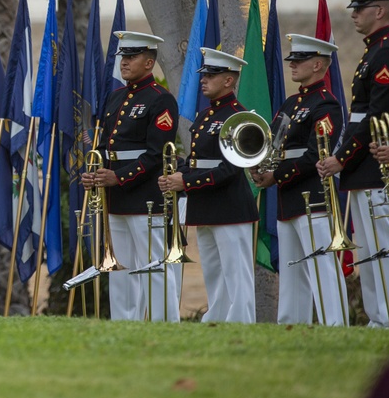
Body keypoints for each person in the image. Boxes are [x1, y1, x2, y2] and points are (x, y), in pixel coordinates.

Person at [317, 0, 389, 329]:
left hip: (377, 162)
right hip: (366, 163)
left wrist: (343, 158)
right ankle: (379, 317)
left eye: (360, 7)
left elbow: (376, 117)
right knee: (369, 249)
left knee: (382, 247)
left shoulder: (386, 53)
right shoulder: (374, 52)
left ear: (379, 11)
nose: (352, 13)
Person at [250, 34, 348, 326]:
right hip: (287, 199)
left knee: (322, 268)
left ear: (318, 65)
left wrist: (275, 176)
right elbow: (272, 142)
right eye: (291, 59)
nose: (292, 65)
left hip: (312, 198)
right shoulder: (291, 103)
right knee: (292, 272)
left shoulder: (326, 105)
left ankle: (336, 325)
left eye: (299, 60)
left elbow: (314, 155)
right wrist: (258, 165)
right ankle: (291, 326)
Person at [83, 31, 179, 321]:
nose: (124, 62)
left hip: (146, 196)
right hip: (116, 197)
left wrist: (119, 177)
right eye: (123, 57)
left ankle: (165, 324)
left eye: (132, 57)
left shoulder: (161, 100)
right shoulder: (116, 97)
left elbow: (156, 154)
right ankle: (124, 324)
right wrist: (93, 172)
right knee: (120, 267)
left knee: (154, 264)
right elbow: (105, 145)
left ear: (149, 62)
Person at [161, 48, 258, 323]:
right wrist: (175, 172)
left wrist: (186, 181)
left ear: (229, 80)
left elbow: (230, 168)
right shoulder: (204, 117)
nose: (203, 80)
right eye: (204, 74)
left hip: (229, 204)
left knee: (236, 272)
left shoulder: (239, 117)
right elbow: (196, 161)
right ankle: (217, 317)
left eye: (212, 75)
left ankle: (241, 320)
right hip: (204, 203)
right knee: (214, 270)